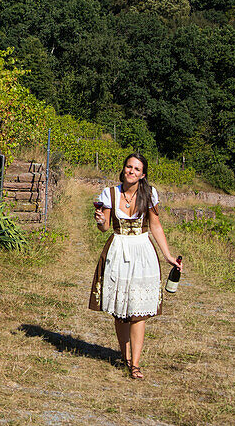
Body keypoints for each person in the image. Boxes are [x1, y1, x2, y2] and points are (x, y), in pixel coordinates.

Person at [88, 152, 181, 380]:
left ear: (143, 174)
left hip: (142, 250)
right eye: (129, 167)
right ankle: (125, 356)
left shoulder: (149, 194)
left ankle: (135, 364)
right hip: (118, 249)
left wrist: (167, 255)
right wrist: (100, 222)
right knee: (121, 312)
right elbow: (105, 226)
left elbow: (156, 225)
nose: (131, 171)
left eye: (137, 169)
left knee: (138, 312)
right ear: (124, 169)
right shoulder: (110, 194)